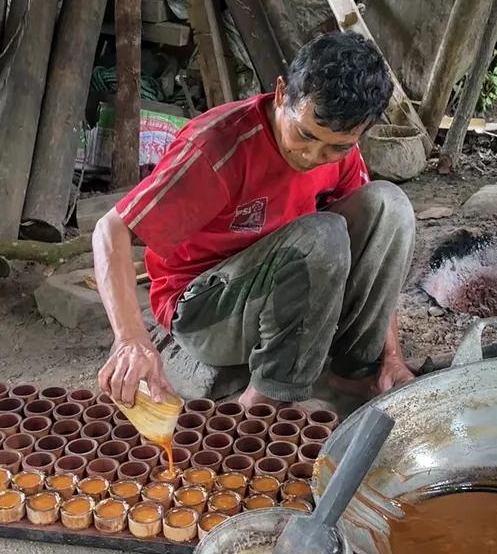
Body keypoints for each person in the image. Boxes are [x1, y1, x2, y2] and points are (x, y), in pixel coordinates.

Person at [93, 31, 416, 408]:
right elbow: (110, 229)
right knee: (322, 235)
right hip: (204, 311)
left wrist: (391, 356)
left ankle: (356, 372)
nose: (313, 156)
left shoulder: (340, 152)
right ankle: (267, 399)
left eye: (336, 147)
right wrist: (131, 339)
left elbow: (378, 248)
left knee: (389, 205)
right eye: (304, 135)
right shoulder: (217, 147)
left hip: (285, 290)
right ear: (281, 93)